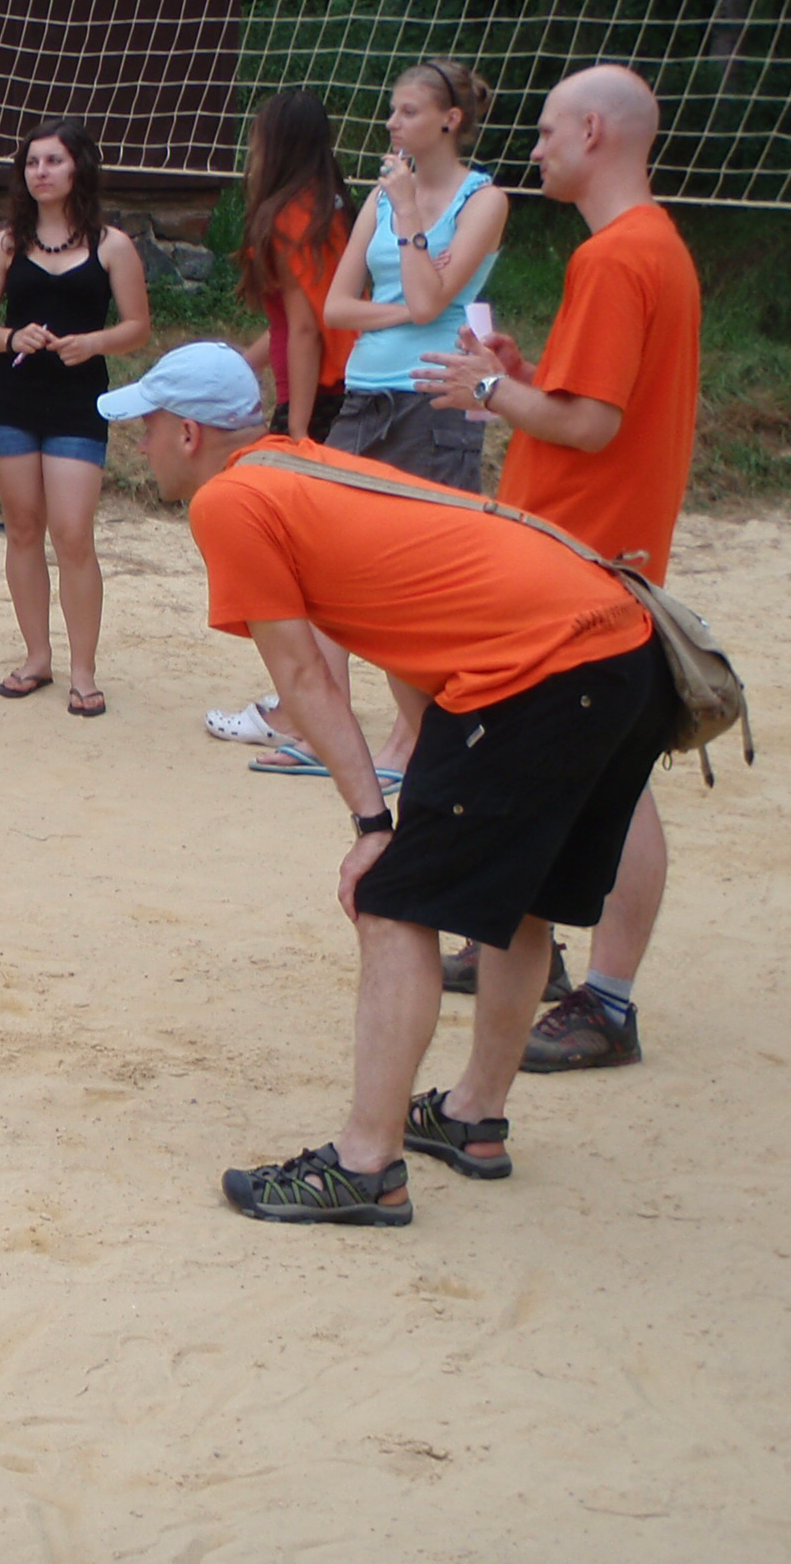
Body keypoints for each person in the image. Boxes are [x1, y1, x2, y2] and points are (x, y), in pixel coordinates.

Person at [103, 343, 676, 1226]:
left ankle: (366, 1165)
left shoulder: (229, 500)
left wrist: (374, 824)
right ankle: (473, 1117)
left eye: (146, 428)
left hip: (535, 671)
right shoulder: (297, 462)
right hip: (621, 644)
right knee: (522, 902)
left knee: (392, 901)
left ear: (188, 433)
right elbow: (404, 613)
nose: (139, 446)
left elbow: (305, 681)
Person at [415, 65, 701, 1072]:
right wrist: (521, 380)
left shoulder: (617, 256)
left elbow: (590, 426)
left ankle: (605, 1001)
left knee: (612, 779)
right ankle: (529, 952)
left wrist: (488, 390)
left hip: (585, 562)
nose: (531, 150)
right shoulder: (648, 247)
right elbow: (587, 404)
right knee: (589, 771)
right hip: (593, 550)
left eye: (542, 132)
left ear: (591, 133)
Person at [313, 58, 508, 777]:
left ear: (449, 121)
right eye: (392, 110)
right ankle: (322, 721)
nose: (392, 123)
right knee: (331, 558)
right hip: (366, 392)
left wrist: (410, 222)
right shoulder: (381, 195)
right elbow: (337, 307)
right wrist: (405, 306)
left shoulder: (484, 199)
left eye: (407, 111)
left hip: (436, 396)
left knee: (423, 571)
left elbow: (429, 301)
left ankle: (415, 740)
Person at [0, 117, 150, 717]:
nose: (41, 172)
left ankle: (84, 670)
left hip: (77, 402)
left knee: (72, 534)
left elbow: (138, 327)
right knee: (23, 528)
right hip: (11, 400)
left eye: (54, 160)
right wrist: (11, 337)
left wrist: (93, 343)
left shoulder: (112, 245)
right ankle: (37, 657)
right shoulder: (6, 245)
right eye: (32, 162)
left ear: (79, 169)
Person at [206, 90, 356, 749]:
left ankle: (305, 711)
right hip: (342, 389)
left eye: (257, 138)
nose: (251, 149)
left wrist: (296, 429)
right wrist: (241, 364)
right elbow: (296, 321)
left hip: (323, 397)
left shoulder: (290, 216)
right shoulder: (331, 206)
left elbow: (306, 327)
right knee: (317, 559)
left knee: (301, 562)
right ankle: (312, 700)